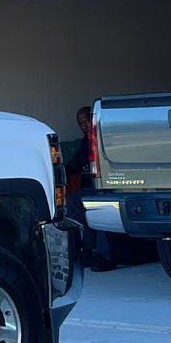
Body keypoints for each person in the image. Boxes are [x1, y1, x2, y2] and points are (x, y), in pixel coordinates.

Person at [61, 104, 118, 271]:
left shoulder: (106, 136)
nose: (85, 126)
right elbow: (77, 163)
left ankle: (105, 256)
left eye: (87, 121)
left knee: (100, 208)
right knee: (71, 202)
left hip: (112, 186)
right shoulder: (87, 140)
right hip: (94, 187)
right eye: (81, 124)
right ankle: (87, 249)